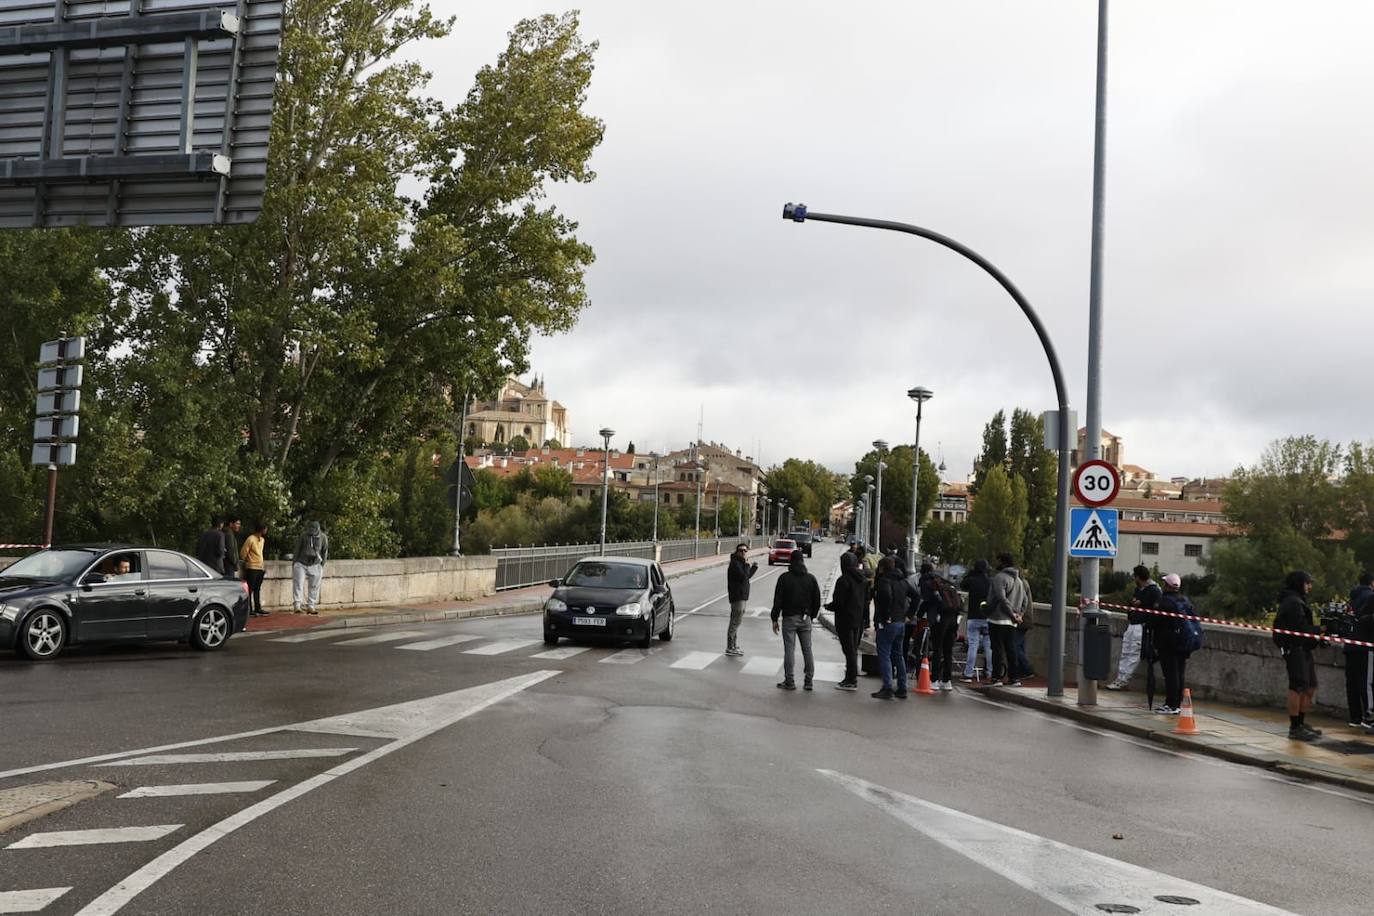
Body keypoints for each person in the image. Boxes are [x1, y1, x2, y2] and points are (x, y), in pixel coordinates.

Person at [1273, 570, 1323, 741]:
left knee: (1310, 685)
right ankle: (1295, 727)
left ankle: (1300, 723)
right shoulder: (1293, 602)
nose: (1310, 587)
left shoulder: (1297, 601)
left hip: (1303, 648)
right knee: (1298, 686)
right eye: (1307, 583)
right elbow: (1300, 629)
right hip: (1295, 648)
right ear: (1299, 584)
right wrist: (1320, 630)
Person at [770, 549, 821, 690]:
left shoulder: (784, 578)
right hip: (806, 618)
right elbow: (817, 600)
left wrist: (774, 618)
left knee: (789, 650)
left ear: (790, 561)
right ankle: (809, 681)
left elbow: (778, 600)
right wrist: (812, 616)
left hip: (789, 618)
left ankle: (790, 680)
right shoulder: (811, 578)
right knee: (807, 650)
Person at [872, 555, 918, 699]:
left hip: (888, 622)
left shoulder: (884, 581)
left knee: (884, 654)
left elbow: (886, 597)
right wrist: (909, 615)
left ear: (882, 568)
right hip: (900, 622)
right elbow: (916, 596)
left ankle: (887, 687)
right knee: (898, 655)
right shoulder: (903, 581)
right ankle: (902, 687)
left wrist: (885, 616)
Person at [1107, 565, 1160, 690]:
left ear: (1138, 577)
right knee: (1125, 652)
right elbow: (1133, 603)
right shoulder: (1138, 589)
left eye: (1134, 576)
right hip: (1132, 624)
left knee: (1133, 654)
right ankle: (1120, 677)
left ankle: (1124, 679)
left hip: (1141, 626)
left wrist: (1147, 622)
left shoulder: (1154, 591)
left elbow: (1156, 609)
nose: (1133, 578)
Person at [826, 547, 869, 690]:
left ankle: (851, 680)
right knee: (853, 649)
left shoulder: (843, 580)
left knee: (848, 650)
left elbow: (839, 602)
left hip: (845, 619)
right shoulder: (863, 579)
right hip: (858, 618)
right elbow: (866, 600)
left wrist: (829, 607)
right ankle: (851, 677)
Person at [1153, 573, 1194, 714]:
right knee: (1180, 673)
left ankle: (1171, 705)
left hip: (1167, 643)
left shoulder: (1164, 602)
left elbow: (1153, 621)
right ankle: (1178, 703)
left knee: (1170, 674)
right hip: (1183, 642)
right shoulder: (1185, 600)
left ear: (1167, 586)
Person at [985, 552, 1028, 687]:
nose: (995, 564)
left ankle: (996, 678)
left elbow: (1001, 598)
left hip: (998, 619)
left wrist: (1011, 614)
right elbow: (1025, 600)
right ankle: (1014, 677)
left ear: (1003, 562)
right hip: (1012, 622)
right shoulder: (1019, 581)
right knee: (1011, 649)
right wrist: (1019, 615)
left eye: (998, 561)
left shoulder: (1000, 578)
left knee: (997, 649)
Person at [918, 563, 959, 691]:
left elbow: (927, 601)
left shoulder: (926, 582)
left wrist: (919, 614)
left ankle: (934, 680)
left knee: (937, 649)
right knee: (948, 650)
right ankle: (947, 681)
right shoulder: (943, 582)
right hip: (952, 617)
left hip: (939, 619)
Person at [1343, 572, 1374, 729]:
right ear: (1372, 582)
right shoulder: (1370, 597)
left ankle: (1355, 717)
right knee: (1366, 682)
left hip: (1350, 644)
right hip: (1365, 645)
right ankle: (1369, 717)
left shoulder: (1353, 597)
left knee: (1352, 682)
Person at [961, 558, 993, 682]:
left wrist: (970, 574)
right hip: (988, 617)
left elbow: (963, 584)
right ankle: (990, 672)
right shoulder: (991, 581)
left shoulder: (972, 580)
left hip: (974, 616)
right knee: (989, 646)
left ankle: (968, 673)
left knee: (973, 645)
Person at [725, 544, 758, 657]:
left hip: (742, 596)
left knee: (737, 622)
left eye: (745, 550)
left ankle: (733, 645)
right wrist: (748, 565)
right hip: (737, 596)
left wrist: (753, 568)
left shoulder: (741, 563)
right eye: (741, 550)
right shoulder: (735, 563)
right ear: (737, 552)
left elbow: (746, 577)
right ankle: (730, 647)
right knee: (735, 622)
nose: (743, 552)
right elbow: (743, 577)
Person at [292, 520, 329, 615]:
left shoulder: (323, 537)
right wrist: (294, 562)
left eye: (314, 529)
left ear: (318, 529)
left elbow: (324, 551)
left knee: (314, 586)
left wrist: (322, 564)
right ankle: (297, 605)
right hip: (301, 562)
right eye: (310, 529)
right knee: (298, 584)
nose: (311, 531)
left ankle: (311, 606)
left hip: (315, 564)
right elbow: (297, 549)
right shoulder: (304, 536)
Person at [240, 523, 268, 616]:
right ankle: (249, 608)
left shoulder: (262, 540)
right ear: (262, 529)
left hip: (260, 567)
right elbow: (243, 553)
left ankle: (257, 607)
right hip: (252, 567)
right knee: (250, 589)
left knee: (257, 589)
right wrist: (247, 561)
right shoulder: (250, 539)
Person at [1012, 571, 1036, 680]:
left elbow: (1021, 601)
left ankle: (1027, 669)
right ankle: (1022, 670)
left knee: (1015, 645)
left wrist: (1018, 615)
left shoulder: (1021, 584)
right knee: (1020, 646)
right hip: (1025, 618)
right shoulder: (1023, 582)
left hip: (1022, 619)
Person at [222, 515, 242, 580]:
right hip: (228, 565)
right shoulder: (229, 534)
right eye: (237, 524)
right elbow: (230, 550)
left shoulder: (228, 533)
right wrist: (235, 561)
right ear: (231, 524)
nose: (239, 526)